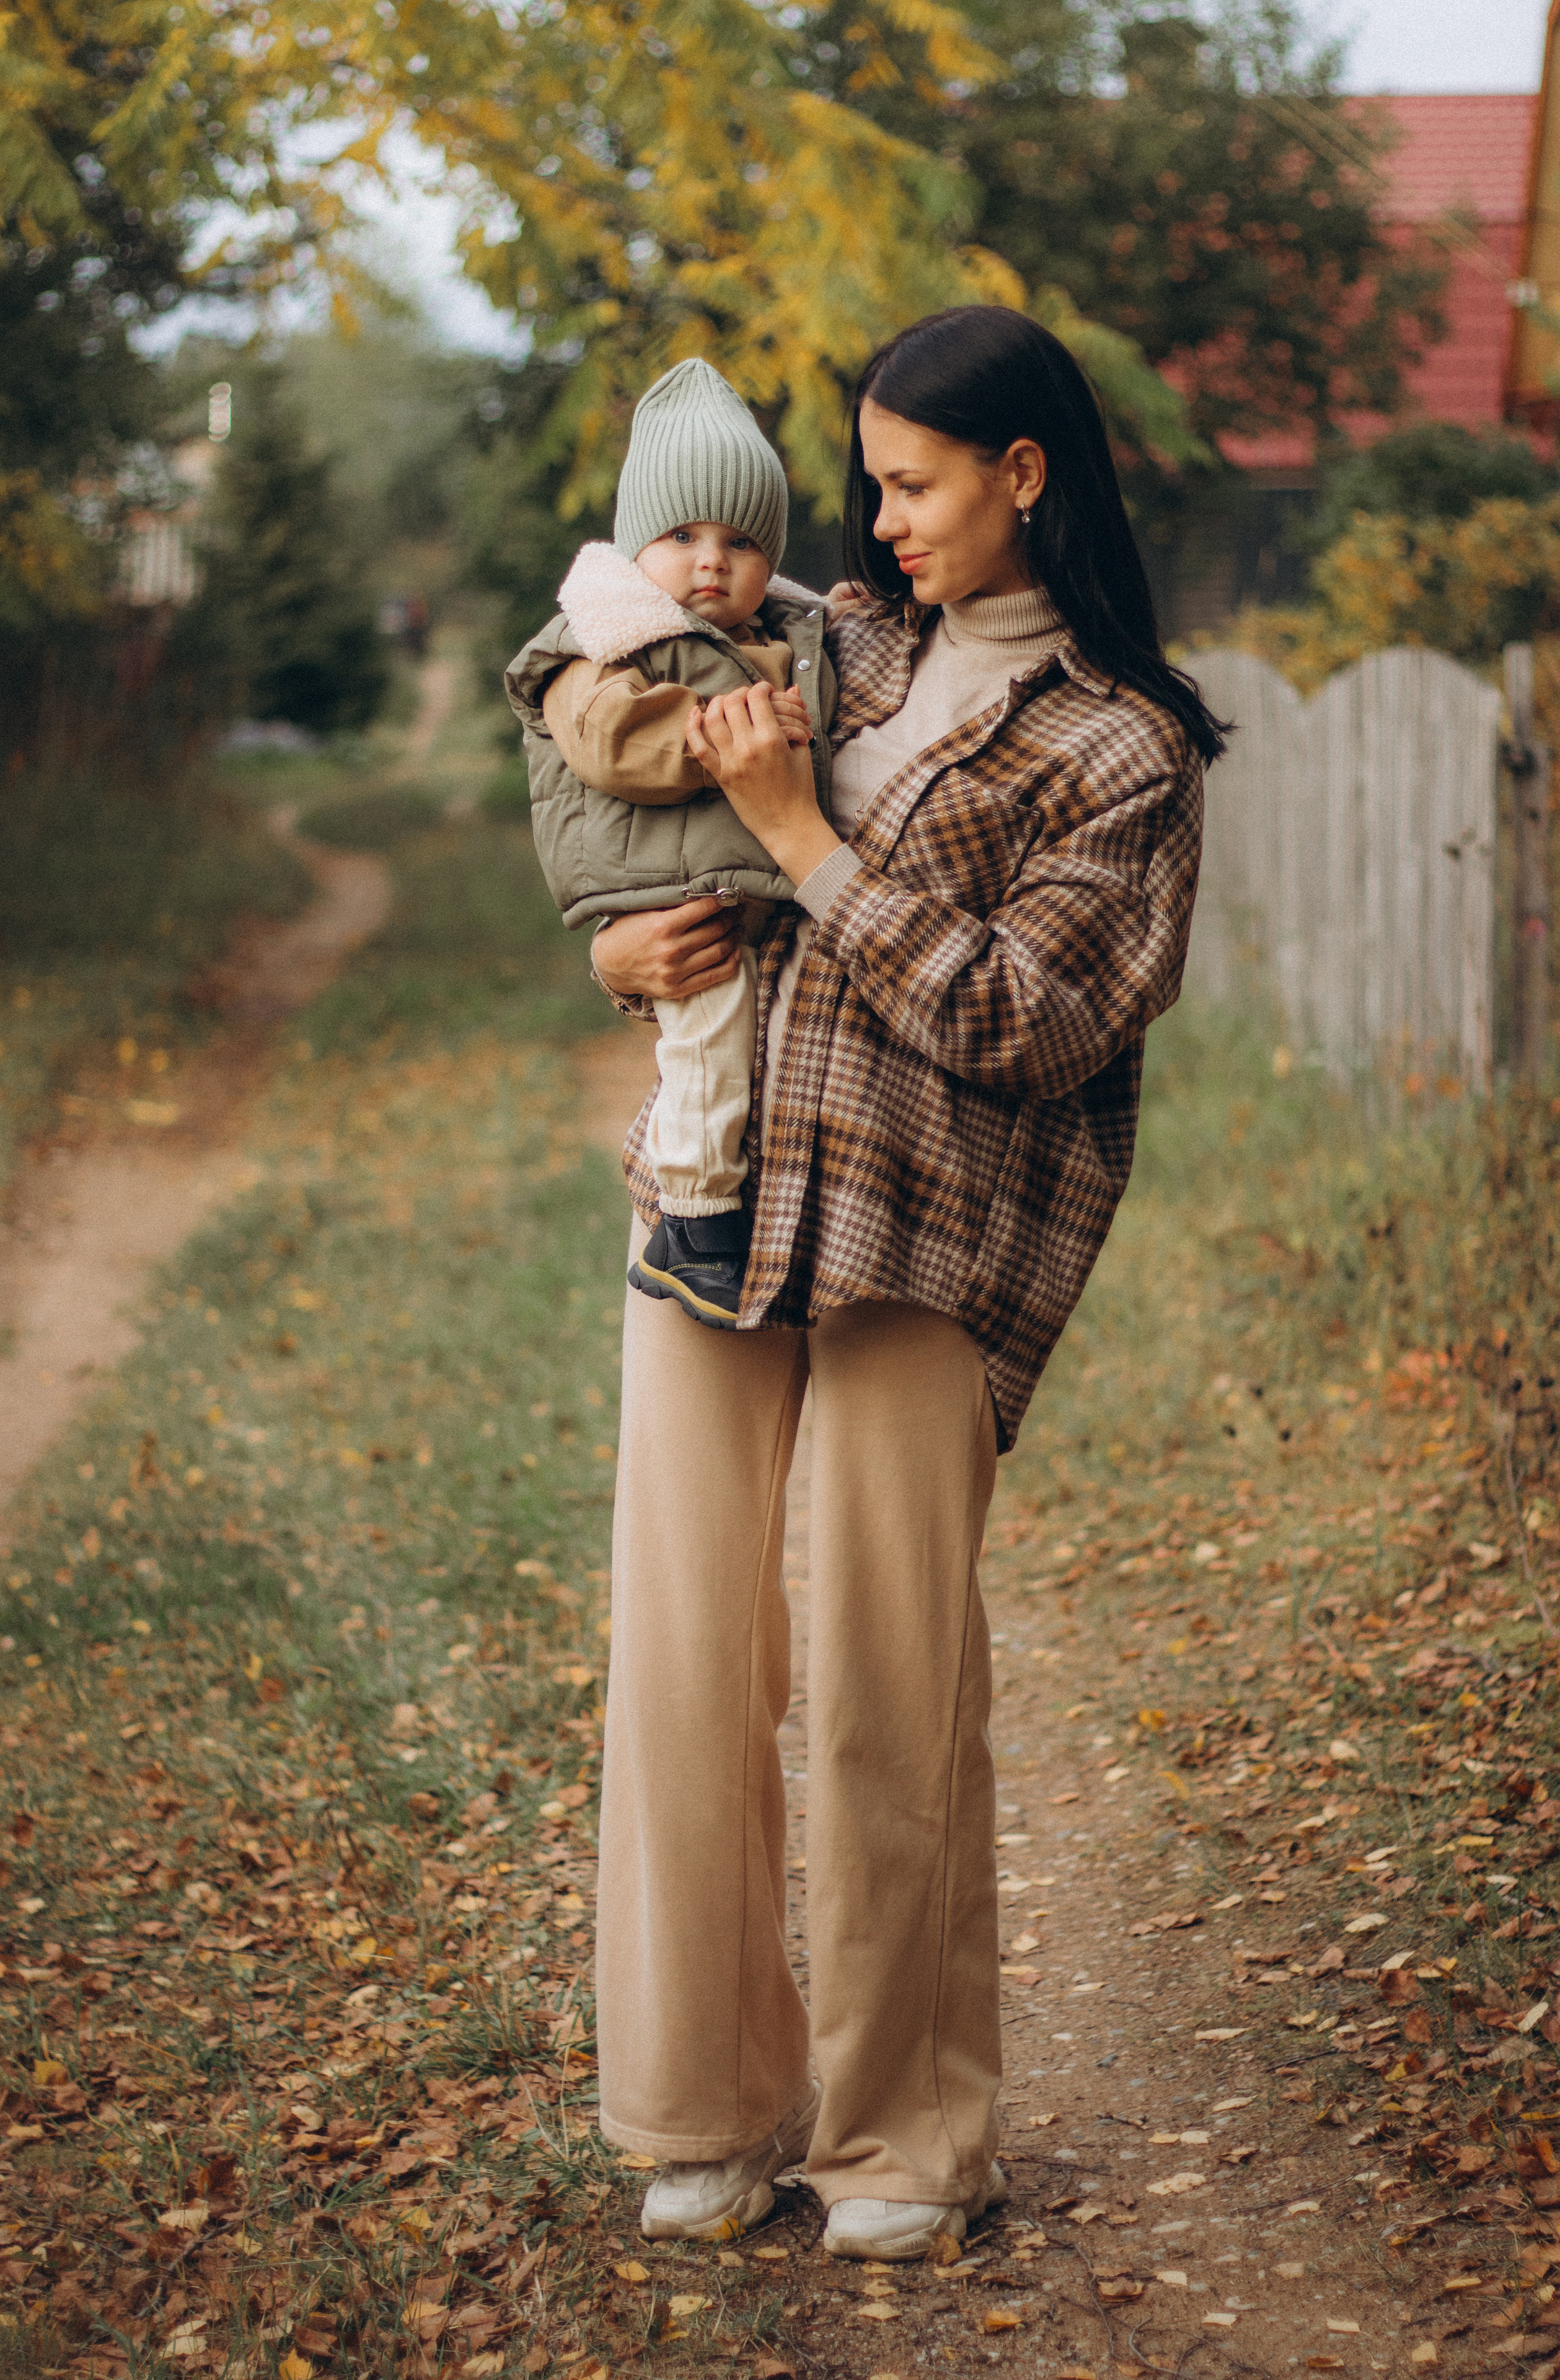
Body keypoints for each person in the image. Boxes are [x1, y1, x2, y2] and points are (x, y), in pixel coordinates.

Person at [588, 306, 1228, 2262]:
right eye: (868, 484)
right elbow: (636, 787)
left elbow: (1026, 1018)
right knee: (689, 1668)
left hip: (925, 1247)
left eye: (911, 483)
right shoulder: (839, 641)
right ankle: (703, 2111)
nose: (878, 521)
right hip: (714, 1202)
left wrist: (805, 835)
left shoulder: (1129, 749)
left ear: (1024, 475)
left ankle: (905, 2140)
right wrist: (615, 953)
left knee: (894, 1687)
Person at [505, 359, 837, 1326]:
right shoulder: (603, 638)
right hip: (667, 886)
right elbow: (611, 739)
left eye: (741, 542)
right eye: (682, 536)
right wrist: (728, 733)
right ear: (633, 545)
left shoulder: (778, 635)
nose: (712, 562)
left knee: (734, 1040)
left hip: (730, 879)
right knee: (711, 1034)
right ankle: (694, 1222)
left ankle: (719, 1202)